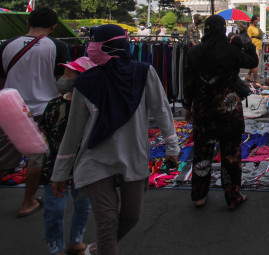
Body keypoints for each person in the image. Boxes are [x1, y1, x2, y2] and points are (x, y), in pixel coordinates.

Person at [51, 25, 179, 255]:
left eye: (94, 43)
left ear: (107, 47)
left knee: (132, 216)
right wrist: (60, 172)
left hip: (133, 155)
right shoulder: (86, 83)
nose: (90, 48)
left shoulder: (143, 73)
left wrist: (172, 146)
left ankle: (100, 248)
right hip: (95, 160)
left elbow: (161, 110)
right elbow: (74, 130)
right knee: (108, 219)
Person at [0, 6, 69, 218]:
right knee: (37, 158)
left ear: (28, 23)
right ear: (53, 26)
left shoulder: (6, 45)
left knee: (3, 158)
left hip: (10, 109)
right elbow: (62, 80)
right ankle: (27, 202)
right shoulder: (58, 47)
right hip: (44, 109)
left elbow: (2, 79)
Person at [184, 15, 258, 210]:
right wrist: (245, 44)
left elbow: (189, 81)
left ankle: (199, 196)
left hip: (203, 108)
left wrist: (187, 107)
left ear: (207, 29)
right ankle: (233, 197)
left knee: (202, 153)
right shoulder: (231, 50)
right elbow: (252, 61)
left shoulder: (195, 52)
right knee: (231, 155)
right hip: (228, 109)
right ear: (223, 29)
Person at [40, 57, 96, 255]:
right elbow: (44, 131)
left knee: (83, 205)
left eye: (68, 75)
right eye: (63, 74)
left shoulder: (93, 107)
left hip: (83, 164)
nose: (63, 79)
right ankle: (55, 248)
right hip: (54, 164)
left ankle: (75, 240)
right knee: (54, 209)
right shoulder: (54, 105)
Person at [246, 14, 264, 88]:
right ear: (254, 20)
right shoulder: (250, 28)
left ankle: (248, 75)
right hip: (254, 47)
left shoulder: (257, 28)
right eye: (257, 20)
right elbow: (248, 39)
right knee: (255, 64)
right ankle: (256, 80)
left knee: (255, 63)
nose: (258, 22)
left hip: (259, 47)